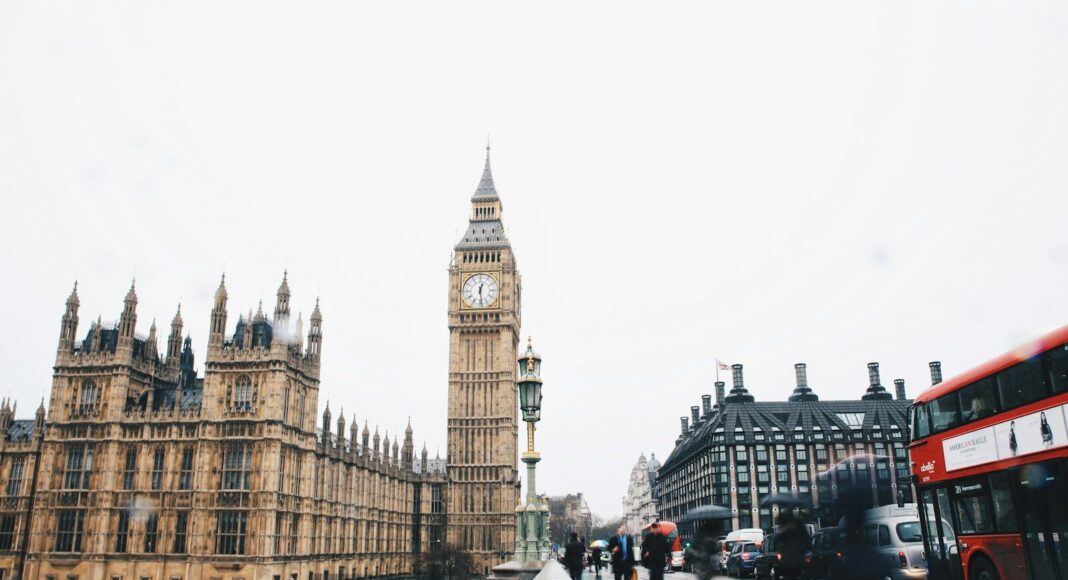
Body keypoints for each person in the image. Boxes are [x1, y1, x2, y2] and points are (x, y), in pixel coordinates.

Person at [775, 510, 812, 580]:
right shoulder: (785, 531)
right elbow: (778, 540)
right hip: (790, 562)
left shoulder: (800, 529)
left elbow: (807, 542)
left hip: (796, 561)